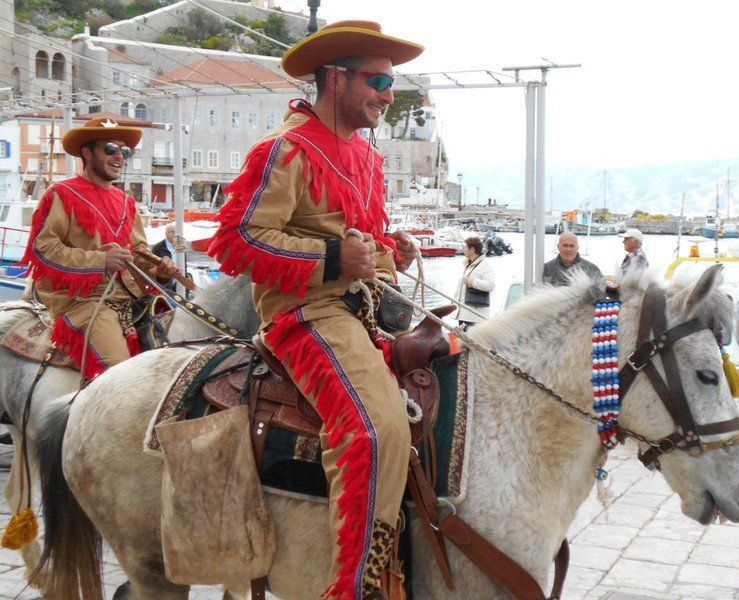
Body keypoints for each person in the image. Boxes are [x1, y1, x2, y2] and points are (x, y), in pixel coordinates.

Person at [207, 20, 423, 600]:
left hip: (366, 310)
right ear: (335, 78)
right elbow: (237, 241)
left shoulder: (366, 159)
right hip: (305, 317)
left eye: (391, 83)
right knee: (375, 428)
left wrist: (388, 251)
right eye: (378, 79)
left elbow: (364, 239)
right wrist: (333, 256)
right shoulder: (285, 151)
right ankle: (354, 585)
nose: (387, 94)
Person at [19, 117, 178, 380]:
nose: (119, 157)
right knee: (121, 374)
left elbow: (137, 251)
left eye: (124, 151)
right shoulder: (60, 194)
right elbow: (41, 249)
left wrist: (158, 267)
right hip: (84, 301)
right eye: (110, 149)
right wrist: (99, 260)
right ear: (86, 152)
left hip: (129, 298)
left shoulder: (126, 202)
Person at [454, 236, 495, 329]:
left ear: (472, 250)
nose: (463, 249)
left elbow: (491, 285)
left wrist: (472, 282)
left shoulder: (485, 265)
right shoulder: (467, 265)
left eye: (465, 247)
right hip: (464, 315)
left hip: (475, 317)